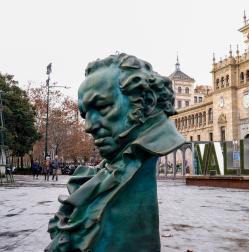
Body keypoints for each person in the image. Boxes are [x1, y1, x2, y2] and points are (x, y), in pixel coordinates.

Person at [46, 53, 184, 252]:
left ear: (147, 102)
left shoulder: (139, 158)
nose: (89, 126)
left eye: (102, 107)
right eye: (85, 114)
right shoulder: (112, 165)